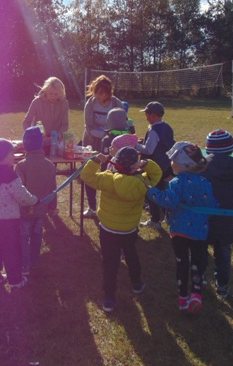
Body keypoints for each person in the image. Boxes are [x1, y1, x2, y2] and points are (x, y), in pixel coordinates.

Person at [81, 146, 162, 312]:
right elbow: (157, 174)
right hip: (129, 229)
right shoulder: (143, 182)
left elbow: (86, 176)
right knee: (131, 256)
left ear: (116, 162)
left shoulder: (107, 179)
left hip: (108, 230)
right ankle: (137, 283)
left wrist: (95, 161)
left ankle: (109, 298)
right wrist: (145, 163)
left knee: (109, 263)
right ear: (135, 165)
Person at [147, 142, 219, 313]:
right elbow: (212, 206)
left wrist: (151, 191)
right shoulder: (205, 182)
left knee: (182, 262)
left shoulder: (177, 182)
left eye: (174, 161)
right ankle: (196, 293)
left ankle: (183, 297)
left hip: (179, 230)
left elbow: (169, 201)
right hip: (199, 230)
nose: (171, 163)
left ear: (182, 165)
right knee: (197, 262)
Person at [201, 129, 233, 299]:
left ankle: (200, 277)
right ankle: (222, 285)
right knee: (223, 252)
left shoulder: (203, 167)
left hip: (205, 218)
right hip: (228, 219)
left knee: (201, 249)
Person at [0, 138, 38, 291]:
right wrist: (35, 200)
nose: (14, 155)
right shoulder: (10, 175)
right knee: (12, 251)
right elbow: (22, 196)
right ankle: (15, 280)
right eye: (11, 153)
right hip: (8, 222)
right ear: (3, 156)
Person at [16, 127, 57, 276]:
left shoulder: (22, 165)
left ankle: (25, 265)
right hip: (41, 209)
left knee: (24, 236)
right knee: (37, 235)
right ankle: (34, 261)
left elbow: (18, 189)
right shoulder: (50, 165)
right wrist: (52, 207)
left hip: (25, 210)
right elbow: (53, 189)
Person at [82, 75, 124, 217]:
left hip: (112, 143)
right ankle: (92, 207)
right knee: (90, 171)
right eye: (95, 92)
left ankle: (108, 207)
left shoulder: (117, 103)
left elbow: (122, 124)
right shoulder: (90, 103)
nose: (97, 96)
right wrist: (103, 135)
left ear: (108, 92)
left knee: (109, 174)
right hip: (92, 141)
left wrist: (110, 138)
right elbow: (89, 127)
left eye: (101, 93)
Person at [135, 101, 175, 228]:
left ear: (152, 115)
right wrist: (144, 141)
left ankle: (155, 220)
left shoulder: (153, 130)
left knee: (152, 192)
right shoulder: (167, 127)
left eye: (147, 114)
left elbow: (148, 150)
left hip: (155, 166)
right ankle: (167, 217)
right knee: (164, 191)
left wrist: (135, 145)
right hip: (166, 164)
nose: (146, 117)